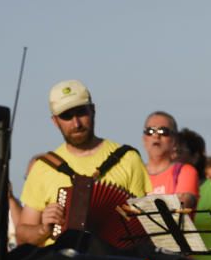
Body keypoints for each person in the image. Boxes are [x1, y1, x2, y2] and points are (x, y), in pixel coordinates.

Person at [16, 80, 151, 246]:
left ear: (93, 110)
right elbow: (21, 236)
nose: (76, 123)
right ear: (55, 121)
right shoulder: (43, 167)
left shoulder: (127, 159)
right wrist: (44, 229)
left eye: (81, 112)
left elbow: (146, 226)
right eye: (66, 116)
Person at [142, 112, 199, 209]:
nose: (156, 136)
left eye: (163, 131)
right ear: (144, 139)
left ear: (174, 140)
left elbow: (181, 206)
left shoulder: (185, 171)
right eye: (150, 131)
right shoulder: (135, 173)